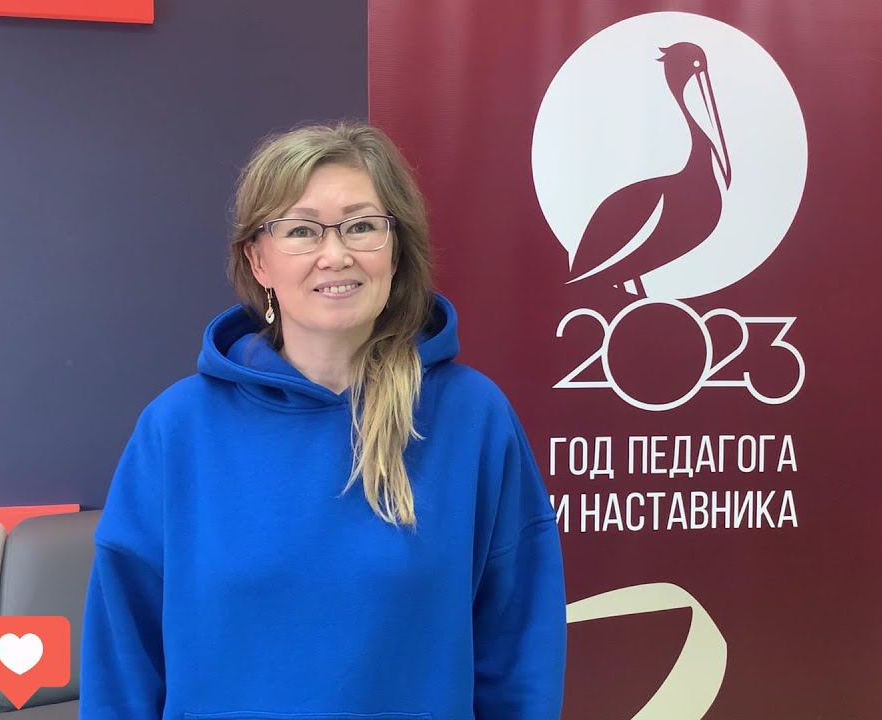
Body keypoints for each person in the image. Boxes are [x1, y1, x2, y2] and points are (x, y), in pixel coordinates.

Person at [79, 122, 567, 720]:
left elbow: (518, 649)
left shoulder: (473, 418)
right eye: (301, 231)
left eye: (362, 226)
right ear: (258, 260)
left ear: (395, 250)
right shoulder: (177, 430)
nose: (335, 255)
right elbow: (123, 664)